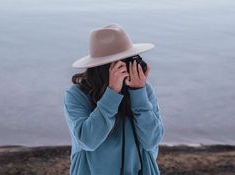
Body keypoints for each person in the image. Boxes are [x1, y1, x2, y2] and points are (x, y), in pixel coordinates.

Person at [63, 23, 164, 175]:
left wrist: (138, 93)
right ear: (104, 67)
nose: (131, 67)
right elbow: (88, 141)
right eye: (124, 62)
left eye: (132, 59)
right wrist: (112, 93)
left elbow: (151, 141)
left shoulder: (143, 91)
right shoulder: (77, 95)